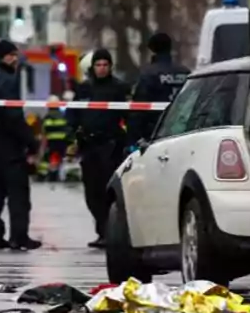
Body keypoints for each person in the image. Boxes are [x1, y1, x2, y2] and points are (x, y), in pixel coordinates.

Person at [0, 40, 41, 250]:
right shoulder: (7, 79)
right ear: (1, 57)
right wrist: (31, 142)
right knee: (18, 194)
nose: (15, 59)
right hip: (8, 143)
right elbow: (13, 115)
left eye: (15, 54)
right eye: (10, 55)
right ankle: (19, 237)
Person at [68, 49, 131, 247]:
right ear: (92, 67)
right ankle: (101, 230)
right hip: (89, 145)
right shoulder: (84, 89)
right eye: (98, 65)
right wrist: (72, 137)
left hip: (110, 145)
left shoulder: (119, 88)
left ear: (110, 66)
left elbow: (130, 116)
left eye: (105, 65)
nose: (102, 68)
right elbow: (73, 114)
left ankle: (109, 232)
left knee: (108, 191)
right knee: (91, 192)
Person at [130, 32, 191, 142]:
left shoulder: (148, 74)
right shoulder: (185, 72)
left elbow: (139, 107)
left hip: (155, 132)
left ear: (152, 50)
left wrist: (134, 137)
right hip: (183, 129)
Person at [39, 96, 71, 182]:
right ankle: (65, 175)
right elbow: (68, 129)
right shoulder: (63, 116)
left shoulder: (46, 117)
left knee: (46, 159)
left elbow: (44, 132)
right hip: (63, 142)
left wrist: (42, 146)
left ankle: (42, 175)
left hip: (51, 143)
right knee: (63, 158)